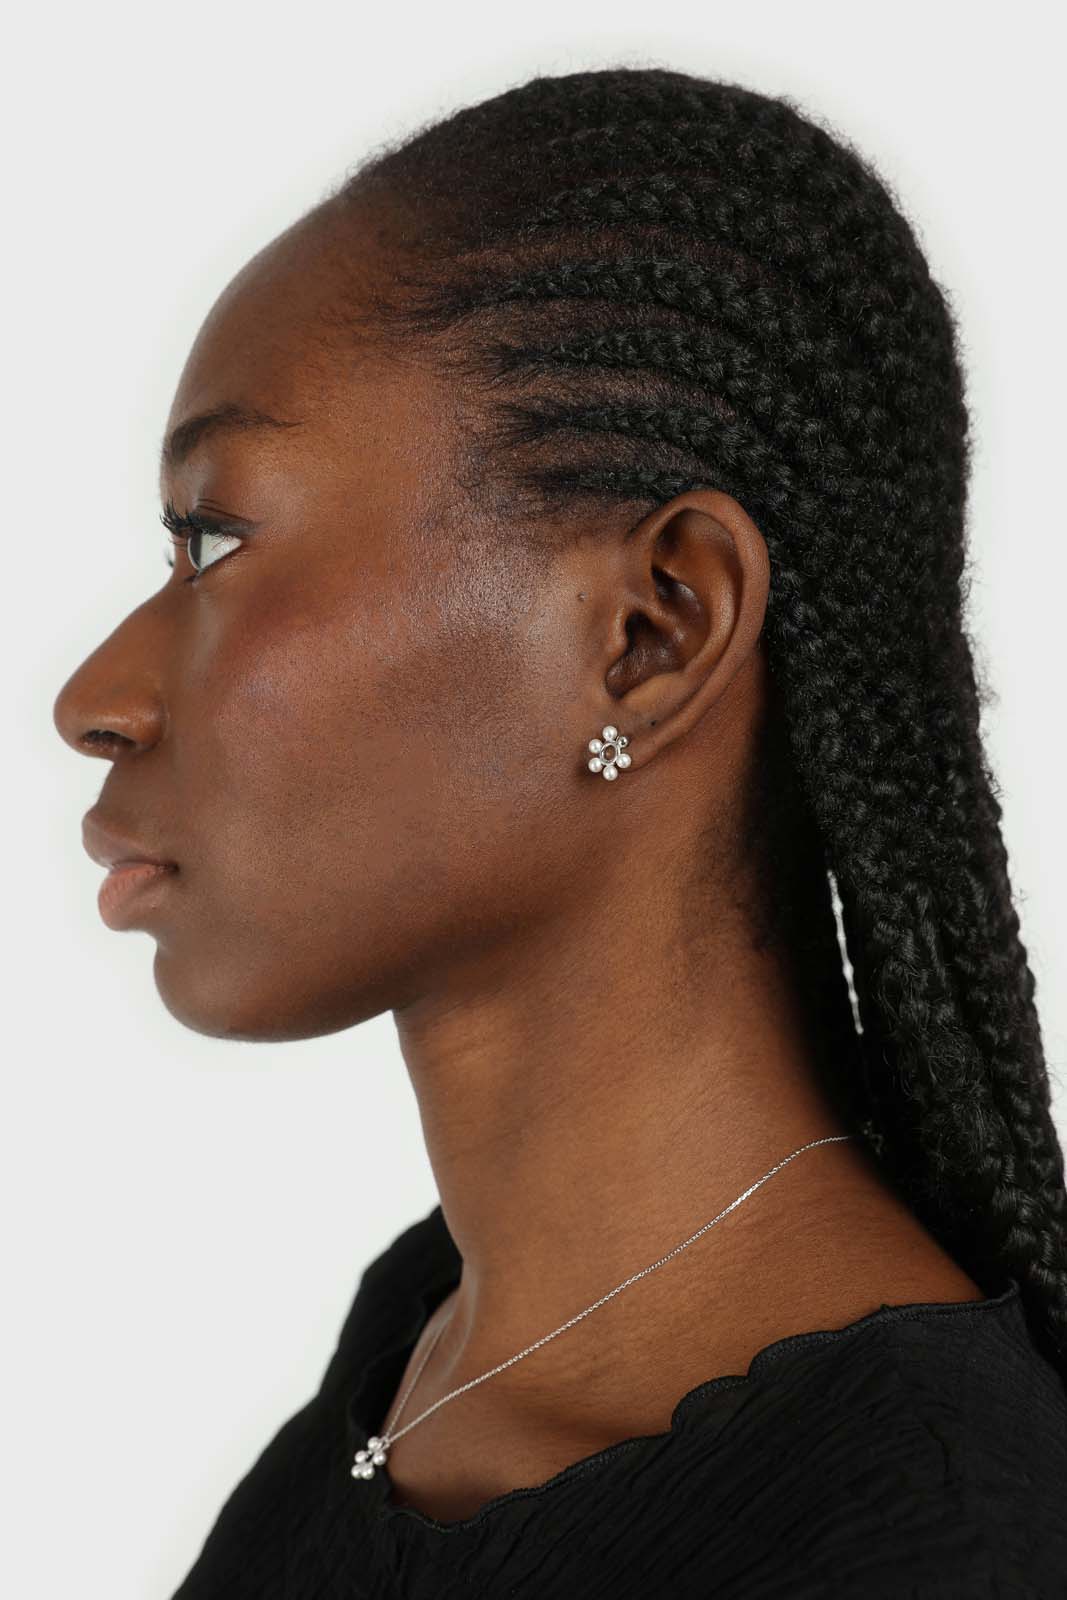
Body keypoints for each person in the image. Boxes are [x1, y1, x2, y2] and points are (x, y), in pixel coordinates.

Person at [53, 64, 1067, 1598]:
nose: (95, 699)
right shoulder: (420, 1343)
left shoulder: (933, 1538)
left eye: (216, 539)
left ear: (654, 631)